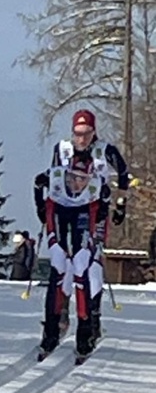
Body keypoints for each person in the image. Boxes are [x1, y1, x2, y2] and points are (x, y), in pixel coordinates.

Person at [36, 109, 130, 342]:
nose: (81, 139)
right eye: (77, 134)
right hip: (65, 209)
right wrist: (43, 207)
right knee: (62, 262)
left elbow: (124, 173)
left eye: (86, 133)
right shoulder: (62, 148)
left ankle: (91, 321)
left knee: (89, 263)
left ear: (93, 131)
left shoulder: (104, 150)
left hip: (95, 211)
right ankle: (60, 316)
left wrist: (120, 205)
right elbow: (53, 176)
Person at [34, 154, 110, 363]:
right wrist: (40, 205)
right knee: (58, 263)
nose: (76, 183)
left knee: (80, 266)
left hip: (84, 212)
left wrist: (104, 207)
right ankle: (51, 330)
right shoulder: (56, 176)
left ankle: (84, 333)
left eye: (82, 179)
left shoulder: (96, 184)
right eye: (72, 177)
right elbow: (38, 183)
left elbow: (104, 206)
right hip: (58, 210)